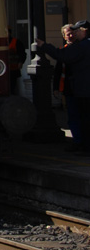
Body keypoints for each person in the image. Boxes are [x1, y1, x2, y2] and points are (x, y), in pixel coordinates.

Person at [37, 22, 90, 154]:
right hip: (77, 89)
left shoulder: (82, 46)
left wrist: (44, 46)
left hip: (83, 89)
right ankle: (81, 144)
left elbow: (61, 56)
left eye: (76, 30)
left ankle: (85, 146)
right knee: (80, 117)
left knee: (84, 118)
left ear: (84, 31)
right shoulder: (82, 45)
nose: (74, 33)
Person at [53, 23, 82, 148]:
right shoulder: (62, 51)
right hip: (69, 89)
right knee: (73, 116)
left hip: (82, 88)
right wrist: (56, 88)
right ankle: (77, 141)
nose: (70, 35)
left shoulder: (82, 48)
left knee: (82, 116)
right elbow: (58, 71)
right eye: (67, 34)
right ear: (64, 37)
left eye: (72, 33)